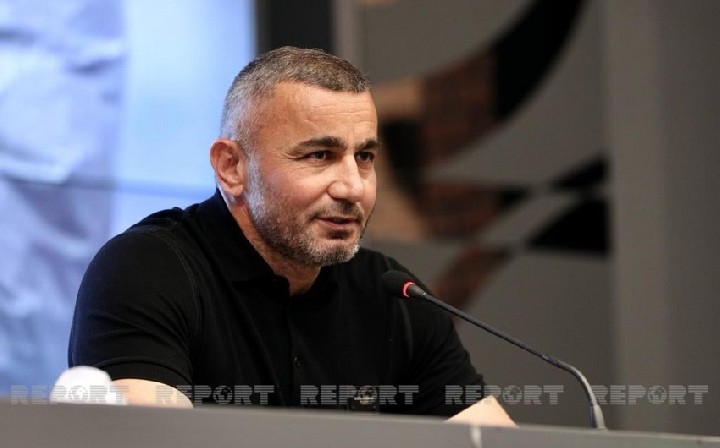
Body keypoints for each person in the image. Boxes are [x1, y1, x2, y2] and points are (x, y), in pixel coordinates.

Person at [68, 46, 512, 424]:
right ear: (232, 167)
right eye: (319, 155)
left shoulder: (393, 295)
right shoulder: (146, 271)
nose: (352, 187)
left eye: (364, 157)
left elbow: (490, 438)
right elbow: (154, 440)